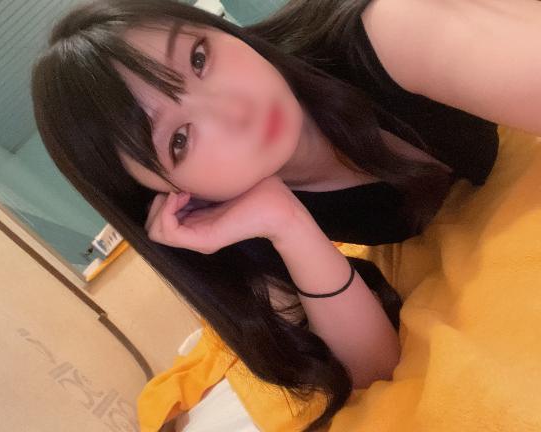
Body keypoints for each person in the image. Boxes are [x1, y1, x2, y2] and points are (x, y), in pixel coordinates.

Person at [30, 0, 541, 430]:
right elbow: (376, 367)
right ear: (167, 193)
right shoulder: (245, 211)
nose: (235, 109)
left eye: (200, 58)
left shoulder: (389, 31)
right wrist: (289, 226)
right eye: (179, 139)